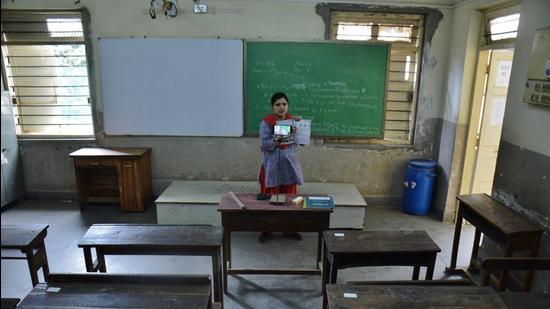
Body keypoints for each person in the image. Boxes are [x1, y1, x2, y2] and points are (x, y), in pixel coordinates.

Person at [258, 92, 303, 243]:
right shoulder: (266, 122)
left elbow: (299, 142)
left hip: (289, 167)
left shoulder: (294, 121)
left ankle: (289, 229)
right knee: (270, 201)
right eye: (278, 104)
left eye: (284, 104)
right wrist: (286, 133)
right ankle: (266, 231)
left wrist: (301, 129)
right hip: (272, 167)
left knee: (290, 201)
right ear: (273, 107)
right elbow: (265, 144)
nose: (281, 107)